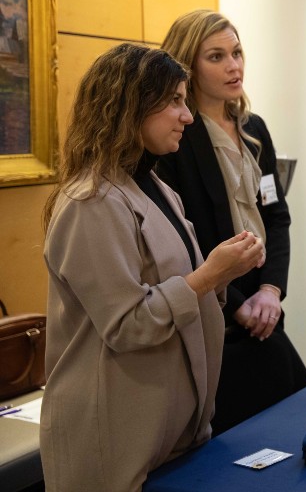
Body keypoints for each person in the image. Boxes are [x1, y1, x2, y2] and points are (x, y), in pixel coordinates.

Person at [40, 43, 265, 491]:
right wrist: (209, 275)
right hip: (115, 439)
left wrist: (226, 271)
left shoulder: (153, 186)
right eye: (174, 102)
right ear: (130, 106)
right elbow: (127, 325)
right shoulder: (91, 202)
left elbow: (178, 287)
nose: (187, 116)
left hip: (171, 433)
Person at [157, 10, 306, 435]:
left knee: (297, 419)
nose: (234, 65)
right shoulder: (177, 137)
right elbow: (185, 235)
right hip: (216, 312)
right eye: (216, 56)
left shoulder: (253, 128)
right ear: (188, 66)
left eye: (237, 52)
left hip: (262, 306)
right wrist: (238, 300)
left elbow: (276, 217)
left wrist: (270, 290)